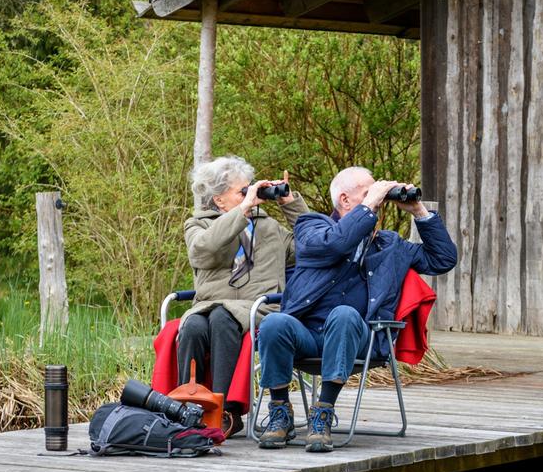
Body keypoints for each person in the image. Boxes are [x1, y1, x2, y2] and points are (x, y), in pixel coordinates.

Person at [255, 166, 457, 452]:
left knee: (345, 314)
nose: (378, 199)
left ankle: (323, 413)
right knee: (275, 323)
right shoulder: (312, 227)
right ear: (345, 200)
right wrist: (370, 203)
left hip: (361, 337)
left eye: (377, 195)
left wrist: (418, 211)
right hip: (307, 335)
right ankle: (280, 412)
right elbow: (336, 244)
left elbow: (443, 259)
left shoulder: (390, 245)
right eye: (367, 193)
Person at [179, 155, 308, 438]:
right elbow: (202, 251)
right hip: (210, 307)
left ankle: (225, 411)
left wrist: (290, 203)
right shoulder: (198, 225)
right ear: (219, 199)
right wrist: (241, 214)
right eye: (242, 191)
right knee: (193, 325)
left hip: (258, 308)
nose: (251, 195)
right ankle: (187, 408)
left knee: (223, 317)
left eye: (252, 188)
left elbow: (309, 246)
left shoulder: (269, 227)